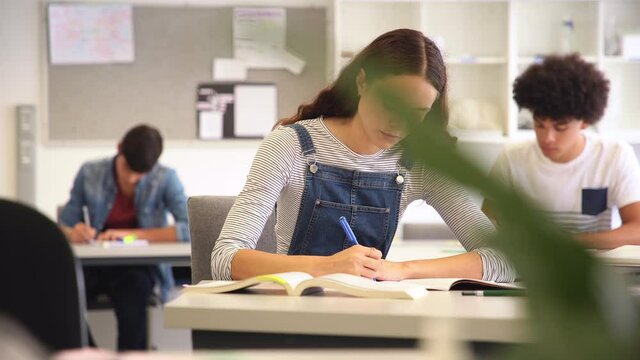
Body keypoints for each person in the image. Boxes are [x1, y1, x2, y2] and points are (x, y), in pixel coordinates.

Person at [211, 29, 514, 282]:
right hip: (291, 311)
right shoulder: (290, 146)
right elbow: (225, 258)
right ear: (362, 82)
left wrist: (400, 270)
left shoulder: (420, 165)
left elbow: (504, 261)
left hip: (371, 315)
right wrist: (326, 267)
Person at [482, 54, 640, 250]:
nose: (548, 137)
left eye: (560, 127)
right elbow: (485, 222)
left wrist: (568, 244)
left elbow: (637, 229)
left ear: (584, 121)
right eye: (540, 125)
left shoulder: (615, 156)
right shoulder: (512, 157)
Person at [59, 124, 189, 350]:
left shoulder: (166, 178)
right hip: (94, 266)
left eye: (140, 175)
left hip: (137, 268)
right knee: (63, 293)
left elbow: (189, 228)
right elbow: (63, 224)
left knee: (133, 298)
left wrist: (131, 235)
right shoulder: (90, 172)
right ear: (119, 149)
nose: (131, 179)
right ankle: (90, 354)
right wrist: (74, 233)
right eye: (127, 168)